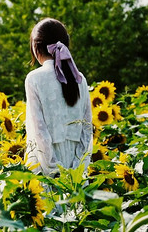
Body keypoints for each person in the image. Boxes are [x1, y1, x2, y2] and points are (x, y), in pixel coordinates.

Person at [24, 18, 93, 177]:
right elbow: (87, 130)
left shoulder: (34, 79)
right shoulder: (79, 78)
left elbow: (39, 132)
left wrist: (56, 172)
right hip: (76, 169)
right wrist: (77, 170)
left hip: (46, 167)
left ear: (36, 47)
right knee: (75, 202)